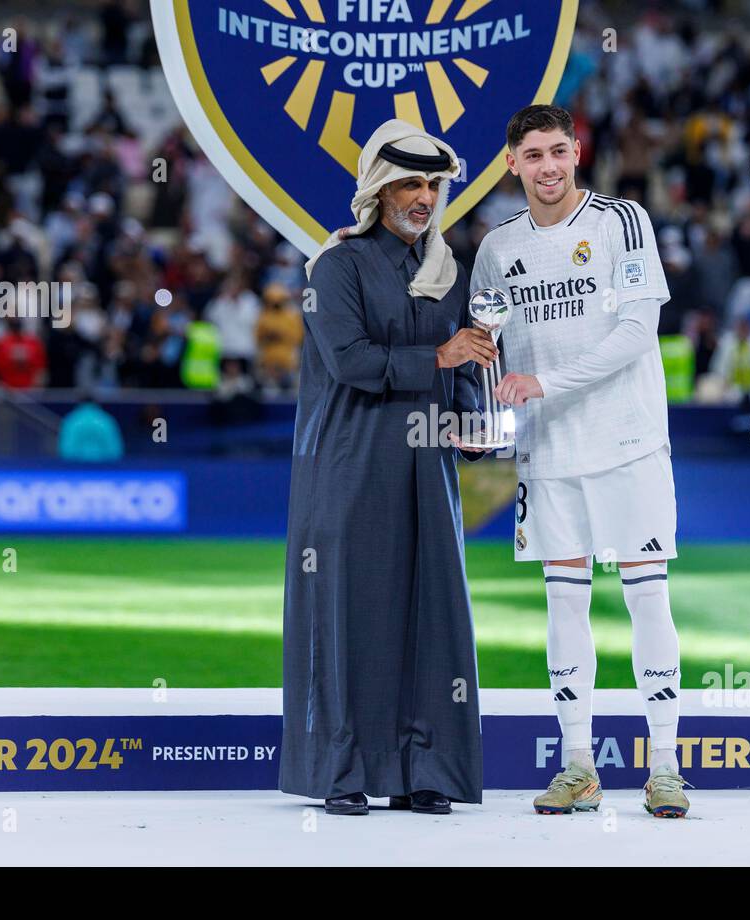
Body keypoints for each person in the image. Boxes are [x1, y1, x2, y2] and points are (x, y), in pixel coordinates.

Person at [471, 104, 689, 818]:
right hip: (549, 452)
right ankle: (576, 766)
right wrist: (483, 416)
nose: (549, 167)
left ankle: (664, 766)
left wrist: (544, 385)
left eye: (558, 151)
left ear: (577, 151)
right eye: (532, 155)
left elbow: (638, 330)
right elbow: (486, 344)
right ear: (512, 164)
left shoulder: (620, 221)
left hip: (628, 443)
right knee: (564, 603)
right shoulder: (497, 248)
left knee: (645, 596)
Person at [281, 120, 496, 816]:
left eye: (433, 184)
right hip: (352, 459)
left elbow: (465, 361)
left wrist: (471, 420)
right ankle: (341, 772)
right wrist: (437, 360)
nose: (424, 196)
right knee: (349, 609)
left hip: (428, 463)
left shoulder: (447, 271)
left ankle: (421, 768)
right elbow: (350, 362)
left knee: (430, 611)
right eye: (410, 182)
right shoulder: (333, 267)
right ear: (378, 187)